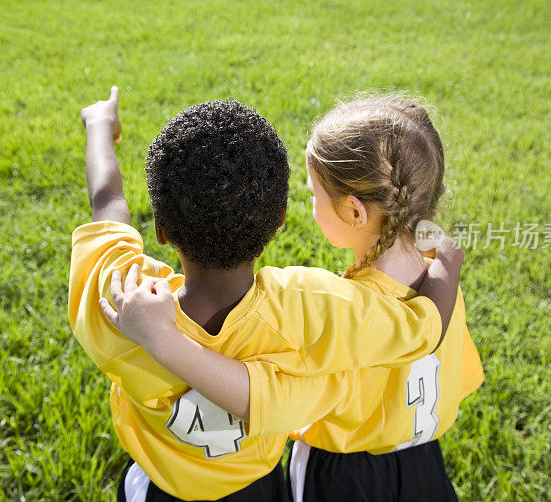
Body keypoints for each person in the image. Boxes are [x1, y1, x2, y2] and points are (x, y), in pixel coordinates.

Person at [70, 87, 463, 501]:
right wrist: (447, 262)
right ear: (279, 221)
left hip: (158, 488)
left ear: (162, 232)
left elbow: (107, 203)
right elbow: (418, 329)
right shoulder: (305, 312)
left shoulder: (119, 302)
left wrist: (98, 126)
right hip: (260, 489)